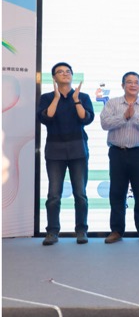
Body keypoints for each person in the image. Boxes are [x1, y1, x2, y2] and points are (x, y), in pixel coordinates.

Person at [37, 62, 95, 245]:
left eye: (68, 71)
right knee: (54, 195)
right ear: (54, 77)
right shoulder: (47, 97)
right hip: (55, 151)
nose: (65, 74)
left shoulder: (82, 97)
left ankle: (81, 230)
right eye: (60, 72)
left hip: (78, 150)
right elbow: (46, 117)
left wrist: (76, 100)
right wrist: (56, 98)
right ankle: (52, 232)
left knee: (80, 194)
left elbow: (85, 119)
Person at [100, 72, 139, 244]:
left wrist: (135, 116)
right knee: (117, 192)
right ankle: (116, 230)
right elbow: (105, 123)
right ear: (122, 85)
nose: (133, 85)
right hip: (117, 152)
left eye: (136, 82)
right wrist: (124, 116)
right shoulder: (112, 103)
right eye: (129, 82)